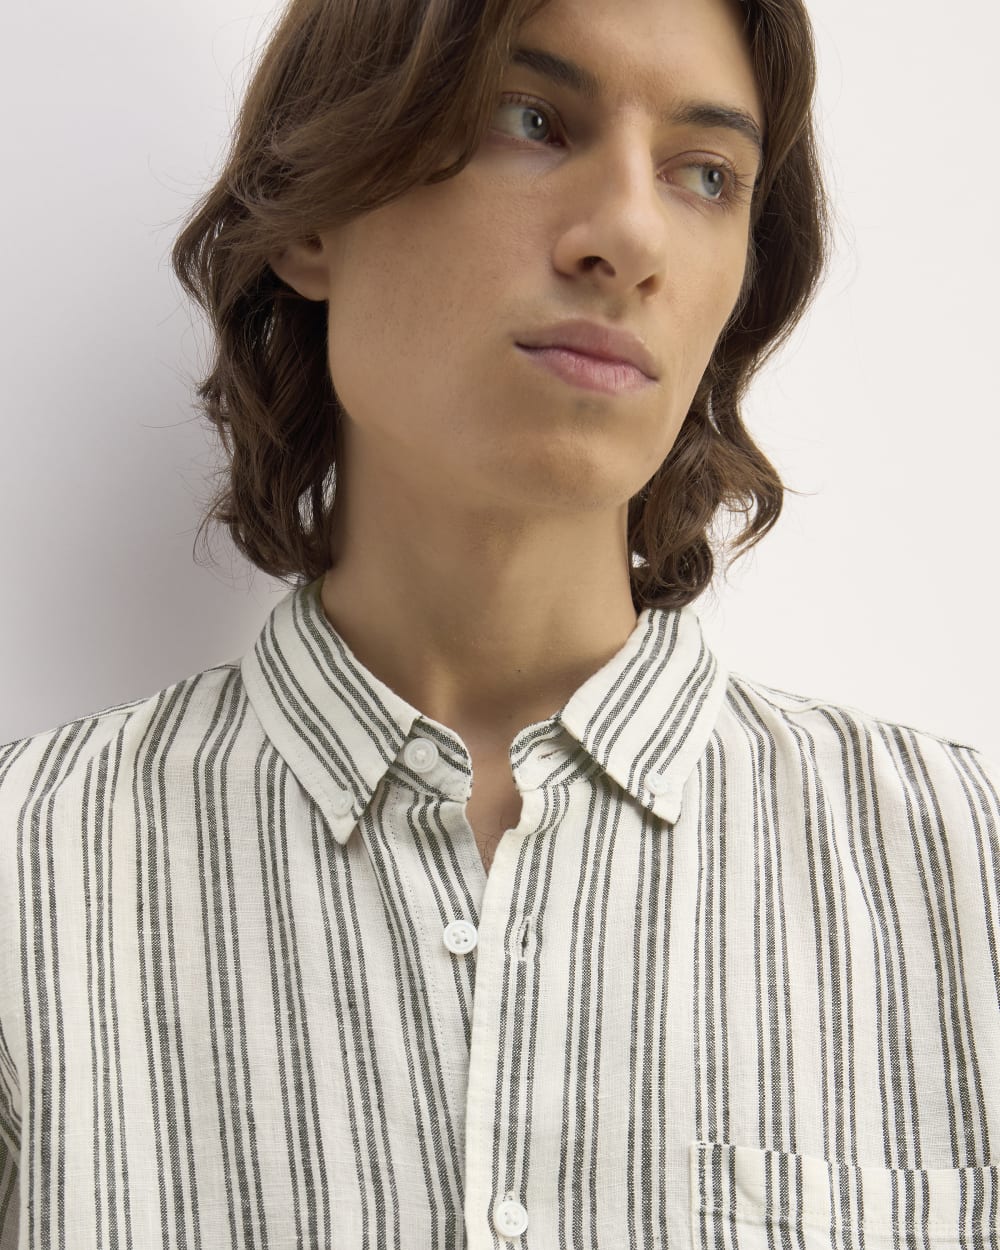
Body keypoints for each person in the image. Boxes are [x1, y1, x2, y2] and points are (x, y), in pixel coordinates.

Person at [1, 0, 998, 1245]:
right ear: (310, 212)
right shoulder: (28, 871)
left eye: (705, 175)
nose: (629, 235)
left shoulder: (963, 873)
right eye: (528, 119)